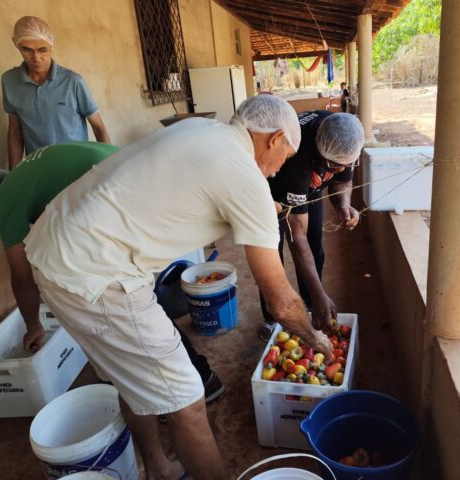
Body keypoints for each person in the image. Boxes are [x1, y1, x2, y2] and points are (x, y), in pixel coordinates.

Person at [22, 95, 333, 480]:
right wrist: (314, 337)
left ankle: (159, 468)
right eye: (286, 156)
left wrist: (257, 206)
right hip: (96, 273)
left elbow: (208, 188)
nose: (280, 168)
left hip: (52, 248)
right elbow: (282, 304)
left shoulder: (202, 130)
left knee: (131, 377)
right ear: (274, 139)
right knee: (186, 398)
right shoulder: (246, 178)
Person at [0, 142, 224, 407]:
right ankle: (190, 380)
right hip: (138, 181)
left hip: (118, 203)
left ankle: (195, 380)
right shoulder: (30, 171)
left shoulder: (4, 200)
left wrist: (33, 324)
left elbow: (21, 277)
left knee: (132, 312)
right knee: (136, 304)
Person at [259, 111, 365, 340]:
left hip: (309, 190)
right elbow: (296, 237)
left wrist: (343, 205)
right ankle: (271, 317)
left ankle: (308, 306)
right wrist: (321, 295)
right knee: (270, 256)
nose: (339, 169)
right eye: (333, 165)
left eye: (344, 164)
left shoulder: (344, 137)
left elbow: (343, 181)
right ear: (318, 149)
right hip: (272, 193)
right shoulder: (296, 158)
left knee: (314, 245)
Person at [1, 16, 110, 169]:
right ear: (16, 45)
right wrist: (13, 175)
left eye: (42, 50)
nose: (36, 58)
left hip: (76, 166)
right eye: (27, 50)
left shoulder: (73, 82)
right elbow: (15, 132)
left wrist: (108, 169)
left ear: (52, 46)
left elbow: (99, 128)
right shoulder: (9, 81)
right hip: (38, 169)